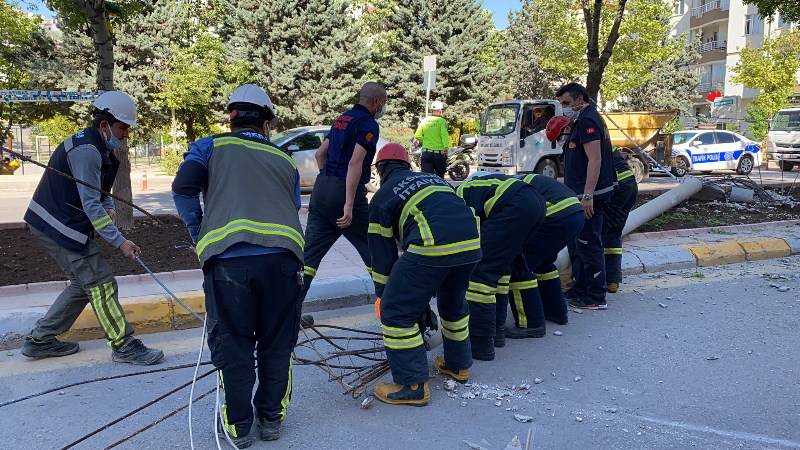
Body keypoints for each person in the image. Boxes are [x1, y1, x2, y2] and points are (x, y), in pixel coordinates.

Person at [172, 84, 303, 447]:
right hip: (283, 262)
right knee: (277, 345)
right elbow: (291, 208)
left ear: (231, 118)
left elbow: (183, 188)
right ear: (266, 123)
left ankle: (240, 426)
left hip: (229, 263)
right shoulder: (283, 158)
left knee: (234, 344)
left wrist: (200, 232)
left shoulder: (210, 146)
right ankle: (271, 420)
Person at [21, 91, 163, 366]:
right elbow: (90, 205)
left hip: (52, 222)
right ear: (104, 125)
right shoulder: (87, 152)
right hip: (59, 225)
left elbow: (97, 192)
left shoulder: (97, 147)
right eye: (123, 128)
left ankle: (40, 340)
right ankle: (124, 346)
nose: (125, 135)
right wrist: (120, 241)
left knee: (83, 284)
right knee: (100, 281)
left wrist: (108, 202)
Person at [368, 143, 481, 406]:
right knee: (453, 305)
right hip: (471, 243)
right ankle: (458, 365)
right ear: (408, 165)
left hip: (433, 244)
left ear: (381, 170)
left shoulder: (383, 195)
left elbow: (383, 257)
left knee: (396, 313)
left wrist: (387, 298)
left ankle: (412, 386)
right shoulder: (431, 178)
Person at [299, 82, 387, 325]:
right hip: (344, 191)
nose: (384, 108)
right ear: (376, 102)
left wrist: (328, 181)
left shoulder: (341, 119)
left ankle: (289, 315)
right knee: (374, 250)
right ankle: (394, 311)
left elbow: (320, 155)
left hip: (322, 187)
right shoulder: (368, 124)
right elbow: (355, 163)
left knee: (308, 259)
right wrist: (348, 203)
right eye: (384, 103)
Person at [456, 172, 546, 360]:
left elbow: (465, 241)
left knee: (480, 275)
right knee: (503, 269)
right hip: (536, 202)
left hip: (516, 204)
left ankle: (480, 344)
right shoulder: (477, 189)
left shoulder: (457, 199)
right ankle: (496, 333)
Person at [556, 83, 616, 310]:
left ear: (580, 99)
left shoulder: (589, 120)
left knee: (589, 244)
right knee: (579, 244)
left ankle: (596, 296)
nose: (564, 108)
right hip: (580, 193)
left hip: (589, 195)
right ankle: (581, 288)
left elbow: (595, 159)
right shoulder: (583, 118)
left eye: (567, 103)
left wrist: (588, 196)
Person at [503, 173, 584, 339]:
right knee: (544, 263)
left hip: (555, 216)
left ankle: (531, 324)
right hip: (574, 214)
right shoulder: (513, 182)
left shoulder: (503, 192)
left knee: (520, 264)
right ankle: (556, 312)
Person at [602, 147, 638, 293]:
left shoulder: (585, 141)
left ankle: (591, 279)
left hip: (616, 187)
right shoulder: (605, 141)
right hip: (630, 185)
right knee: (614, 232)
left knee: (599, 231)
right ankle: (613, 280)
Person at [414, 101, 449, 178]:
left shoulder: (425, 120)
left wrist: (425, 140)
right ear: (440, 110)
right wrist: (446, 147)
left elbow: (417, 135)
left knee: (426, 178)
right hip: (439, 154)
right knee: (440, 178)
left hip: (426, 153)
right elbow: (444, 135)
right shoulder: (442, 121)